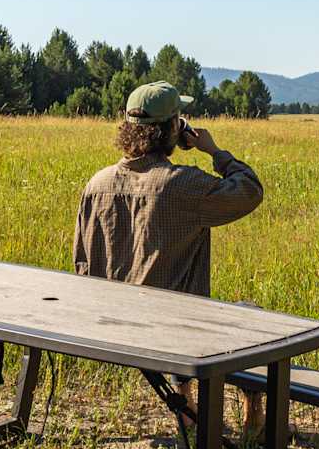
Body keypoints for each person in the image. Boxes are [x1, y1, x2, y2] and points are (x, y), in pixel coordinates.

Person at [73, 80, 265, 430]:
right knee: (250, 316)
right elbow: (250, 191)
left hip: (110, 327)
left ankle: (186, 403)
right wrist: (214, 151)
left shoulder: (96, 184)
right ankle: (254, 418)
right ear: (174, 128)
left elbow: (82, 262)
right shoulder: (183, 184)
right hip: (175, 330)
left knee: (174, 306)